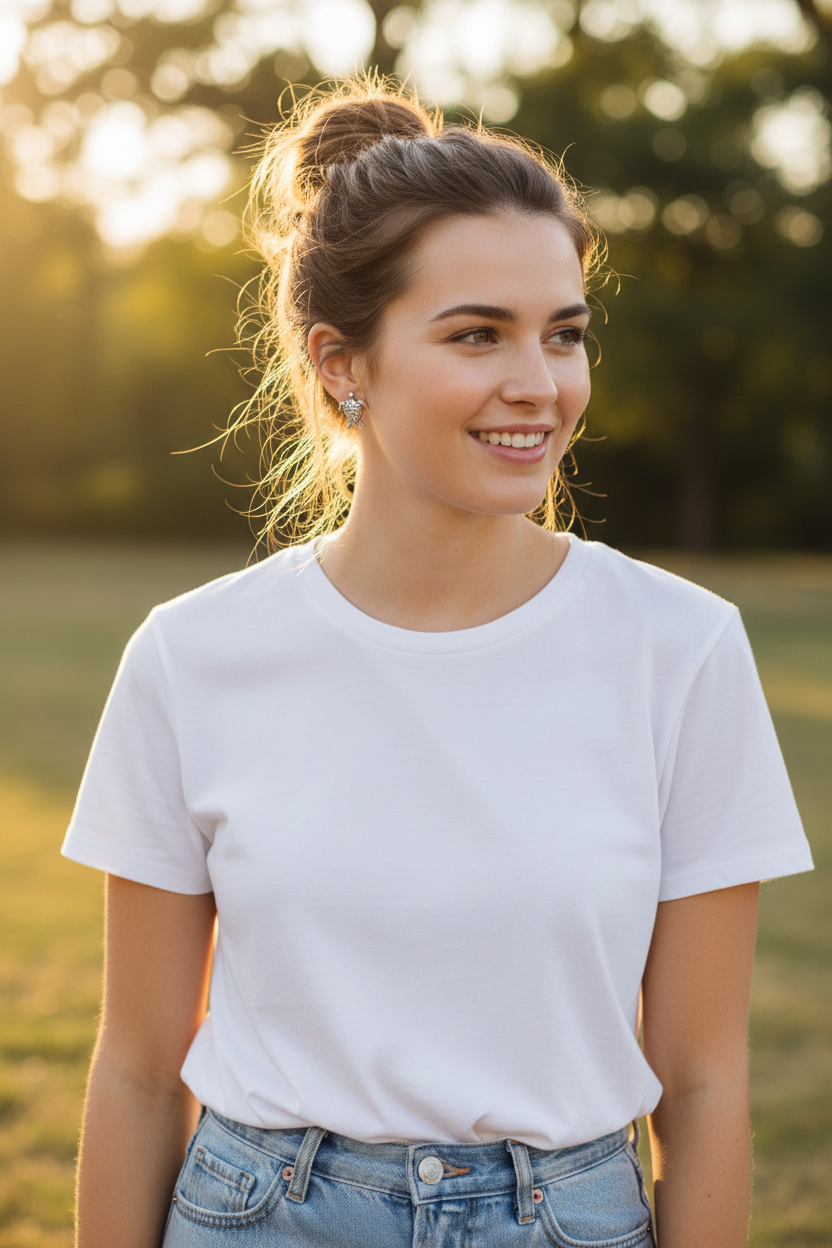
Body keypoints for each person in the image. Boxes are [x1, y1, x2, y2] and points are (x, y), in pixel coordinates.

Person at [62, 75, 813, 1248]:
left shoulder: (680, 651)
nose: (540, 384)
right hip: (261, 1216)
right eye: (477, 334)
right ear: (340, 363)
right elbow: (138, 1070)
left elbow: (706, 1087)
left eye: (564, 333)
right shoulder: (191, 656)